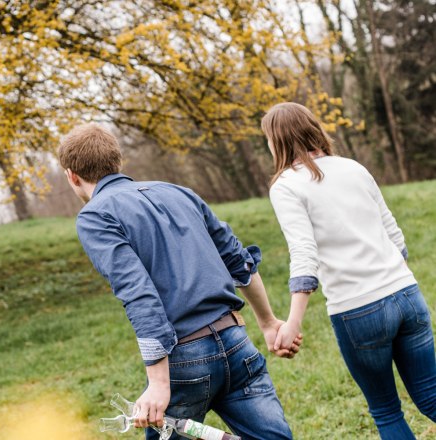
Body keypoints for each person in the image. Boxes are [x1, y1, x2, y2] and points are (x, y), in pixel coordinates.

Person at [58, 123, 300, 440]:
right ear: (118, 161)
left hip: (184, 361)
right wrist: (267, 321)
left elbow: (138, 293)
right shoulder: (178, 192)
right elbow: (238, 259)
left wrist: (159, 383)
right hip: (236, 341)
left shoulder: (95, 216)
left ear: (72, 176)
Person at [264, 102, 436, 439]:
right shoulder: (353, 167)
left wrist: (293, 323)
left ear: (276, 141)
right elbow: (394, 235)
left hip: (358, 311)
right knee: (432, 395)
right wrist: (396, 282)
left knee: (386, 411)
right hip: (407, 295)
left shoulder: (286, 185)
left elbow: (304, 254)